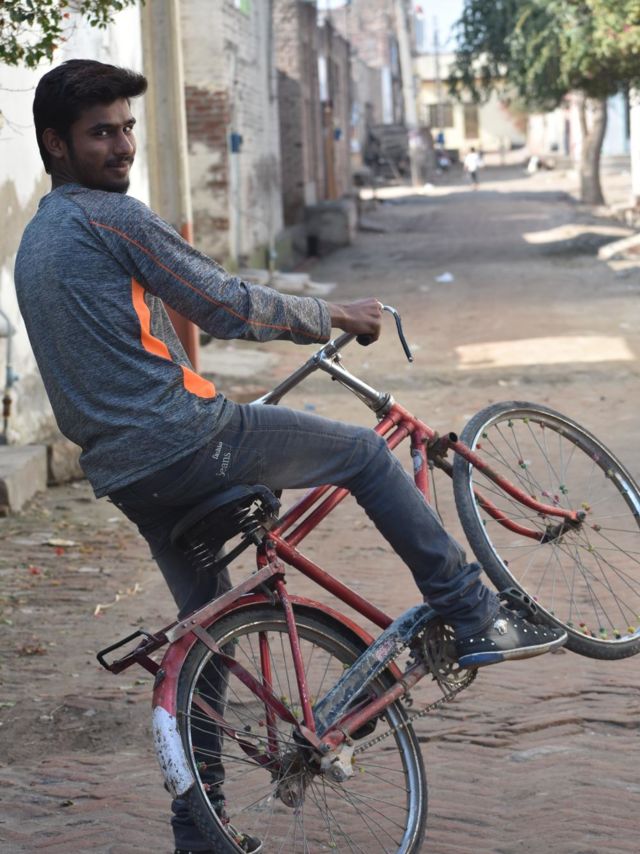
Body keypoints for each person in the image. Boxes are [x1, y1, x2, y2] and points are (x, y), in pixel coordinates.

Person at [15, 60, 566, 854]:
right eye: (102, 132)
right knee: (363, 453)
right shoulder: (111, 217)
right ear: (55, 145)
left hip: (131, 477)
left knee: (206, 638)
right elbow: (223, 302)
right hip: (191, 440)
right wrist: (333, 313)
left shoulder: (33, 245)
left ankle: (199, 828)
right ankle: (471, 612)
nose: (124, 145)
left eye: (127, 127)